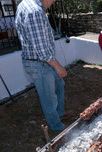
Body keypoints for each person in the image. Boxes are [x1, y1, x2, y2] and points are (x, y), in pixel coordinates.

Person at [15, 0, 69, 131]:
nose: (54, 2)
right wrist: (58, 66)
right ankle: (57, 127)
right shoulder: (35, 11)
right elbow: (42, 50)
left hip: (43, 61)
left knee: (59, 85)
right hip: (39, 64)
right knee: (48, 98)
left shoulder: (26, 4)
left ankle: (59, 113)